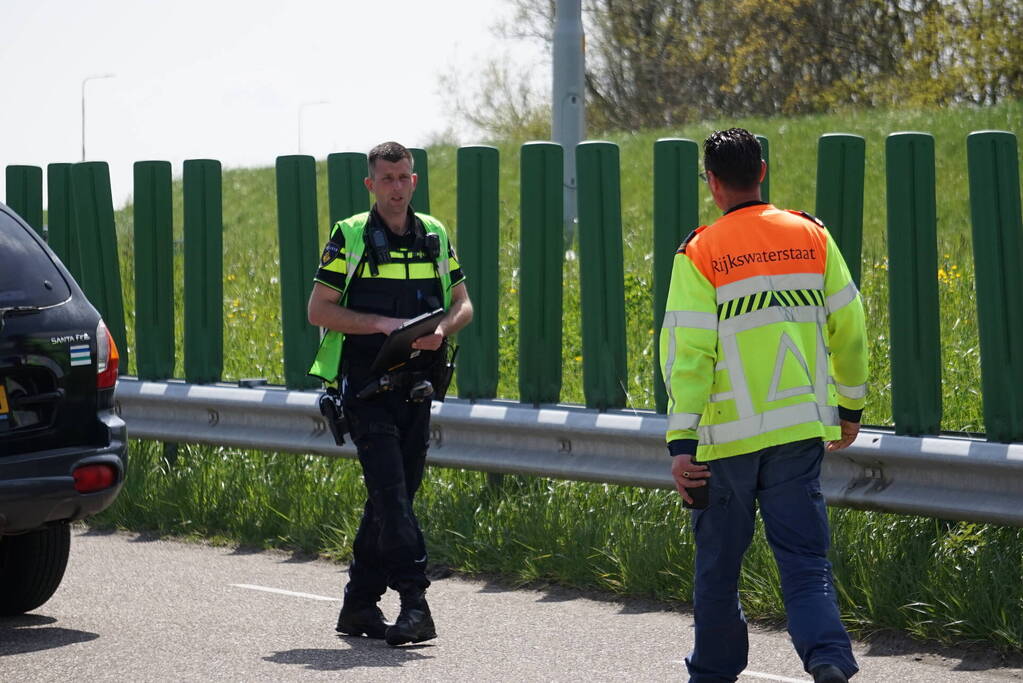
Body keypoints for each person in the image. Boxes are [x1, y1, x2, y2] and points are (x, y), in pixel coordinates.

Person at [660, 128, 867, 683]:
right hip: (797, 430)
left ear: (711, 182)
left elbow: (689, 355)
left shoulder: (700, 251)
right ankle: (827, 658)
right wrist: (850, 406)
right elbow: (849, 326)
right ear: (763, 169)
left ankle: (713, 673)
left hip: (723, 441)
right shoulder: (812, 236)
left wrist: (682, 444)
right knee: (805, 563)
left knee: (719, 573)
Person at [307, 141, 473, 646]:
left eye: (404, 178)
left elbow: (464, 303)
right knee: (393, 499)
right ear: (371, 185)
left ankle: (359, 606)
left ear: (414, 181)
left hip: (417, 388)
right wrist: (381, 323)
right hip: (366, 389)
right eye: (387, 179)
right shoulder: (351, 236)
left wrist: (443, 329)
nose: (396, 188)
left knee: (388, 502)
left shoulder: (434, 234)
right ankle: (414, 602)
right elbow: (319, 309)